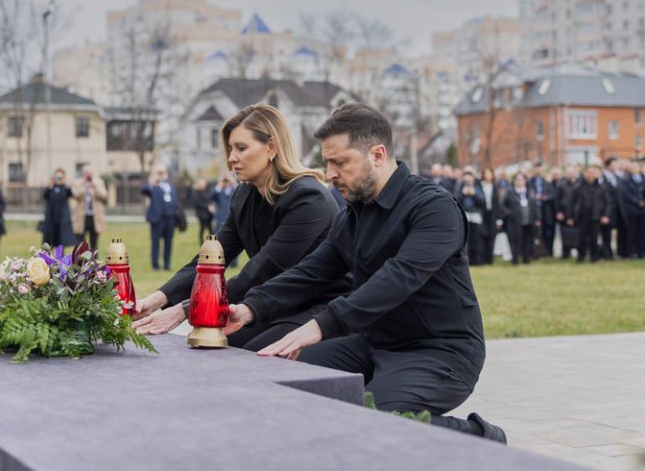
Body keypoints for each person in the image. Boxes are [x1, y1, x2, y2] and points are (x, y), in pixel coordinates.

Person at [224, 103, 506, 443]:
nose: (329, 174)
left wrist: (321, 325)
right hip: (372, 343)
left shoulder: (434, 207)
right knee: (282, 381)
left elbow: (398, 278)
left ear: (377, 154)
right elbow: (311, 272)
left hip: (438, 352)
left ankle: (481, 437)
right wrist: (251, 307)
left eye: (339, 162)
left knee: (374, 421)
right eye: (327, 162)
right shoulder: (352, 216)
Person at [133, 104, 349, 350]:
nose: (231, 158)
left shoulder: (309, 198)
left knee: (243, 353)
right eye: (230, 149)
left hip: (319, 306)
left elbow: (262, 270)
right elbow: (210, 259)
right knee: (217, 347)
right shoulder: (245, 195)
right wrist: (157, 299)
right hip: (272, 301)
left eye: (241, 148)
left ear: (271, 147)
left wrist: (184, 310)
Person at [566, 165, 611, 263]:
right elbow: (571, 202)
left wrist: (606, 215)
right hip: (582, 217)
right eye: (588, 173)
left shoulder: (601, 188)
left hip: (595, 217)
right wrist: (570, 217)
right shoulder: (578, 187)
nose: (590, 175)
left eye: (592, 173)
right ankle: (581, 257)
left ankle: (594, 258)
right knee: (581, 238)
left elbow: (607, 203)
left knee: (594, 238)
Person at [142, 166, 178, 271]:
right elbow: (143, 190)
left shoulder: (170, 185)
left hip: (170, 218)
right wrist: (152, 181)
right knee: (155, 243)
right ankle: (155, 265)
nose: (162, 174)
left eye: (163, 172)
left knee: (168, 242)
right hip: (157, 219)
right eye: (159, 172)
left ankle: (167, 264)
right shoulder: (153, 186)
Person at [502, 172, 541, 265]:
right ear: (514, 181)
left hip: (529, 220)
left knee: (528, 240)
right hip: (515, 222)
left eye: (521, 179)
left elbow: (535, 206)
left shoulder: (530, 191)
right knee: (516, 240)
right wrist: (510, 213)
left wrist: (537, 218)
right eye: (518, 179)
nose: (520, 181)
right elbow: (503, 206)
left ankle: (526, 258)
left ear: (525, 181)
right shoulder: (509, 192)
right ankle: (515, 259)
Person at [71, 166, 108, 251]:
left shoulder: (99, 182)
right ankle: (79, 261)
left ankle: (94, 261)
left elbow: (104, 195)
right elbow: (75, 195)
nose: (88, 175)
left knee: (94, 242)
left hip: (94, 217)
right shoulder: (78, 182)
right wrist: (84, 187)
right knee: (80, 243)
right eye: (86, 173)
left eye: (90, 173)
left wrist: (95, 187)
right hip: (82, 217)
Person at [41, 168, 76, 248]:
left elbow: (70, 194)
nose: (58, 179)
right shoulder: (51, 188)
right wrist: (50, 185)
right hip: (51, 219)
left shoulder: (65, 188)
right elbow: (45, 196)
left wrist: (65, 183)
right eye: (57, 177)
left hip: (62, 220)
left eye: (60, 177)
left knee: (61, 242)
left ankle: (60, 258)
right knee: (49, 241)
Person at [456, 170, 485, 265]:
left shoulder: (478, 187)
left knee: (477, 239)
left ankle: (478, 260)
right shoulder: (460, 187)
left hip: (476, 216)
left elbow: (482, 202)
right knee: (466, 241)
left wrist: (474, 194)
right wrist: (464, 194)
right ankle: (468, 261)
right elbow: (456, 201)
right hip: (464, 216)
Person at [527, 163, 556, 257]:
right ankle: (534, 252)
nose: (538, 170)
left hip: (545, 211)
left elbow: (553, 195)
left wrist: (545, 197)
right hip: (533, 211)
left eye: (540, 168)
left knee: (547, 233)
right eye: (536, 168)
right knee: (534, 233)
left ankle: (548, 251)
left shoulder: (547, 182)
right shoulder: (529, 182)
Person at [556, 165, 581, 259]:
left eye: (571, 172)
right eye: (568, 173)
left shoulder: (580, 184)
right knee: (565, 235)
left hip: (577, 215)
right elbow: (557, 200)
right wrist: (559, 212)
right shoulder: (561, 185)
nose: (570, 174)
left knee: (578, 235)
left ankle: (579, 252)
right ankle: (565, 253)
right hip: (564, 213)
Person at [479, 166, 500, 265]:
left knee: (492, 236)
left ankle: (490, 259)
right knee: (483, 235)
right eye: (486, 173)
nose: (487, 175)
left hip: (492, 213)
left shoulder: (494, 186)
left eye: (489, 173)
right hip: (483, 214)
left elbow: (497, 203)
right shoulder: (480, 185)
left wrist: (499, 219)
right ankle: (483, 259)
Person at [192, 178, 214, 245]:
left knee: (210, 228)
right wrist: (208, 206)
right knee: (202, 228)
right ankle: (201, 242)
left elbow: (211, 199)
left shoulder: (209, 191)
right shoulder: (197, 192)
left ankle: (212, 242)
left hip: (209, 214)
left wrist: (211, 206)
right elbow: (198, 203)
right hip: (202, 214)